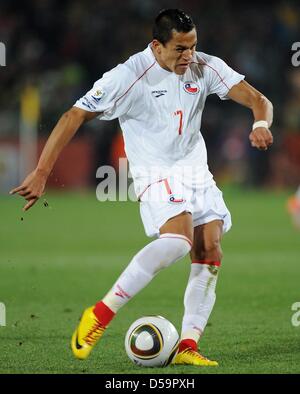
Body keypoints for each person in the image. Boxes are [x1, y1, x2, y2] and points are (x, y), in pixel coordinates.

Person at [10, 9, 273, 366]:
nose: (189, 56)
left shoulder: (203, 65)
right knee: (178, 241)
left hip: (195, 168)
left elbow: (259, 99)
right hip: (155, 171)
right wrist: (41, 171)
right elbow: (74, 115)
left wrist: (260, 123)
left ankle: (188, 347)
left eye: (193, 46)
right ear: (156, 46)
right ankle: (100, 314)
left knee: (210, 250)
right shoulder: (128, 76)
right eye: (180, 48)